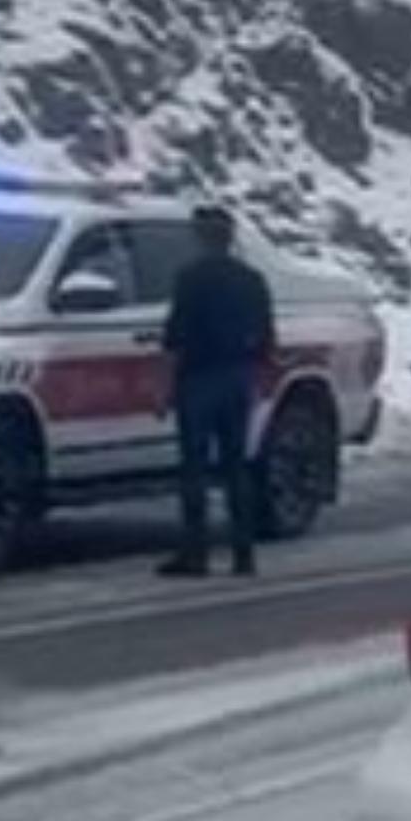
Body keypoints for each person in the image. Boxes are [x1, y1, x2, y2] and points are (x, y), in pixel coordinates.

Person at [159, 205, 276, 577]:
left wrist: (165, 386)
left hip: (198, 379)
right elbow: (267, 336)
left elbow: (175, 334)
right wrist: (256, 377)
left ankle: (196, 554)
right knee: (235, 466)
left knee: (194, 468)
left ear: (200, 238)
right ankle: (244, 554)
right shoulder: (252, 279)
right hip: (237, 378)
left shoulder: (190, 277)